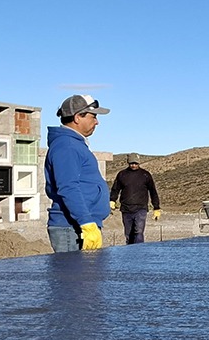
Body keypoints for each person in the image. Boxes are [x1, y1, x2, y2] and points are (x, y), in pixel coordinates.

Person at [44, 94, 111, 252]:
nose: (97, 122)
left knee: (85, 276)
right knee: (74, 276)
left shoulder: (73, 144)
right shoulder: (66, 146)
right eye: (93, 116)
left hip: (79, 225)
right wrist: (86, 223)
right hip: (72, 228)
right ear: (77, 117)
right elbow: (68, 187)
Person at [110, 154, 162, 244]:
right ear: (128, 163)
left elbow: (153, 191)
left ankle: (139, 252)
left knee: (138, 232)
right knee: (128, 234)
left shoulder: (145, 175)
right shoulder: (122, 174)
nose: (133, 165)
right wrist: (112, 200)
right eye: (131, 163)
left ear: (139, 163)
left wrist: (156, 207)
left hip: (141, 209)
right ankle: (130, 253)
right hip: (126, 209)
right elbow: (115, 189)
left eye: (135, 163)